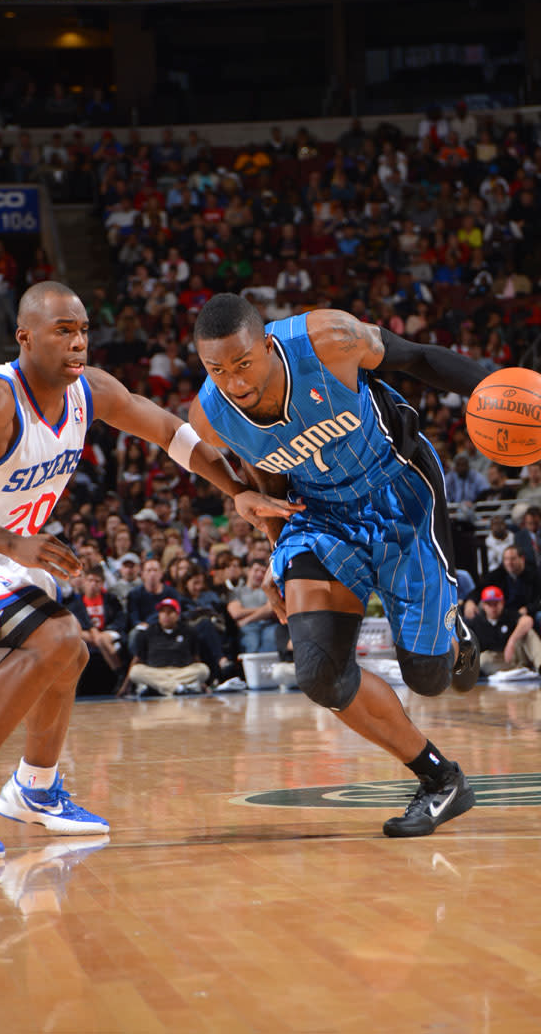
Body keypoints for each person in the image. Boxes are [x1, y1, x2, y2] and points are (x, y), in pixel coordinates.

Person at [0, 282, 298, 859]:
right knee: (60, 637)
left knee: (67, 654)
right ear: (23, 336)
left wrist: (235, 493)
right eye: (61, 331)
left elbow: (171, 432)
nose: (78, 343)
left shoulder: (89, 392)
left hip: (8, 556)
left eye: (83, 330)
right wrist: (10, 542)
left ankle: (35, 790)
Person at [189, 293, 487, 838]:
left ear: (269, 344)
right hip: (319, 515)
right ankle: (440, 779)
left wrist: (494, 387)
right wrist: (279, 551)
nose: (233, 381)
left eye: (243, 363)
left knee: (429, 678)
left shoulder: (328, 340)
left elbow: (417, 357)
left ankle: (452, 625)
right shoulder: (211, 413)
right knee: (319, 673)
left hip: (400, 495)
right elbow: (266, 482)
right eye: (217, 369)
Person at [119, 598, 210, 697]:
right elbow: (137, 659)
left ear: (177, 615)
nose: (166, 615)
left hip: (181, 671)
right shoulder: (148, 632)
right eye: (162, 612)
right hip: (156, 672)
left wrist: (203, 684)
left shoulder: (189, 631)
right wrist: (125, 686)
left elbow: (195, 658)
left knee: (203, 670)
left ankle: (159, 687)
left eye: (170, 612)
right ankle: (177, 688)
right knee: (135, 671)